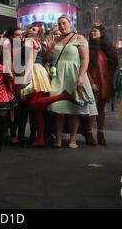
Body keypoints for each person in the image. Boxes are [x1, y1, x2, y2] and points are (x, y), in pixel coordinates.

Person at [46, 15, 98, 149]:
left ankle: (73, 138)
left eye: (64, 23)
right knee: (58, 108)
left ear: (70, 23)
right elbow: (48, 59)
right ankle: (58, 138)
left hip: (74, 74)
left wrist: (81, 77)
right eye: (59, 24)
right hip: (59, 76)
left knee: (74, 108)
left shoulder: (79, 38)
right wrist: (49, 49)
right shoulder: (55, 39)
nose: (62, 26)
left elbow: (85, 59)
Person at [20, 22, 74, 147]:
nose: (32, 31)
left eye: (35, 30)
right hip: (37, 71)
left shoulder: (30, 42)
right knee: (38, 110)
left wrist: (26, 78)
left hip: (34, 71)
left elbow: (30, 62)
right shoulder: (31, 42)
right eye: (32, 28)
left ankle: (63, 96)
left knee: (34, 104)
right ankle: (40, 138)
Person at [86, 24, 118, 146]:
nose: (92, 33)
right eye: (91, 31)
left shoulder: (108, 50)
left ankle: (100, 133)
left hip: (105, 82)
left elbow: (112, 67)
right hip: (92, 81)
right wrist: (91, 82)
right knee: (92, 109)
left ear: (102, 33)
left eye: (95, 31)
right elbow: (85, 67)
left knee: (101, 109)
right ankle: (89, 133)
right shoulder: (87, 48)